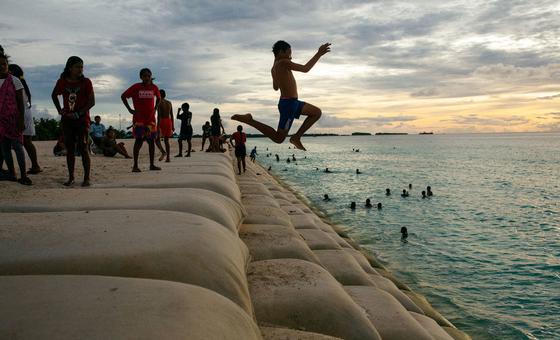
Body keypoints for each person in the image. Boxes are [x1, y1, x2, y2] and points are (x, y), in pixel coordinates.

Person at [231, 41, 331, 151]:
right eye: (289, 53)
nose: (291, 56)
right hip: (289, 105)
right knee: (279, 138)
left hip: (292, 102)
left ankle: (296, 137)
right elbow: (305, 68)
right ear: (280, 52)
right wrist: (319, 53)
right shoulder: (283, 62)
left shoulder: (274, 68)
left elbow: (275, 87)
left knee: (316, 112)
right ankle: (250, 120)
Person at [52, 56, 95, 186]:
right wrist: (60, 110)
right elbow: (54, 95)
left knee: (83, 148)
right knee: (70, 149)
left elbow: (92, 102)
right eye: (77, 67)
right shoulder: (62, 82)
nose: (80, 69)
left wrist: (79, 113)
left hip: (82, 120)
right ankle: (71, 177)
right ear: (70, 67)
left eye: (82, 67)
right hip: (67, 120)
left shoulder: (86, 82)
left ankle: (86, 178)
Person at [0, 48, 31, 185]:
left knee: (18, 147)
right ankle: (12, 173)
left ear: (7, 65)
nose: (1, 67)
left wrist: (21, 120)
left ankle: (23, 175)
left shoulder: (15, 81)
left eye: (4, 64)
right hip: (1, 121)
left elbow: (20, 103)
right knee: (5, 148)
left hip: (14, 119)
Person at [121, 68, 161, 172]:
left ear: (151, 76)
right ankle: (135, 166)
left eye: (148, 75)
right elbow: (123, 96)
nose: (146, 78)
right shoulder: (136, 87)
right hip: (139, 119)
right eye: (144, 76)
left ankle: (152, 165)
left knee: (151, 141)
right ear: (141, 77)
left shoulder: (154, 87)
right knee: (138, 141)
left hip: (151, 119)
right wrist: (130, 109)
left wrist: (156, 108)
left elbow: (159, 98)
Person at [8, 64, 41, 175]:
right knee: (27, 142)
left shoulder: (15, 82)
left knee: (17, 142)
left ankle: (34, 166)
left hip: (21, 114)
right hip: (26, 113)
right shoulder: (22, 82)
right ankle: (35, 165)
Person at [157, 89, 174, 162]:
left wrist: (158, 125)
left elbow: (159, 115)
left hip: (162, 121)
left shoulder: (159, 102)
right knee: (166, 140)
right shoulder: (169, 103)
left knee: (156, 139)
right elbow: (172, 115)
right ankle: (168, 158)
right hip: (169, 121)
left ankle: (163, 152)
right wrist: (172, 125)